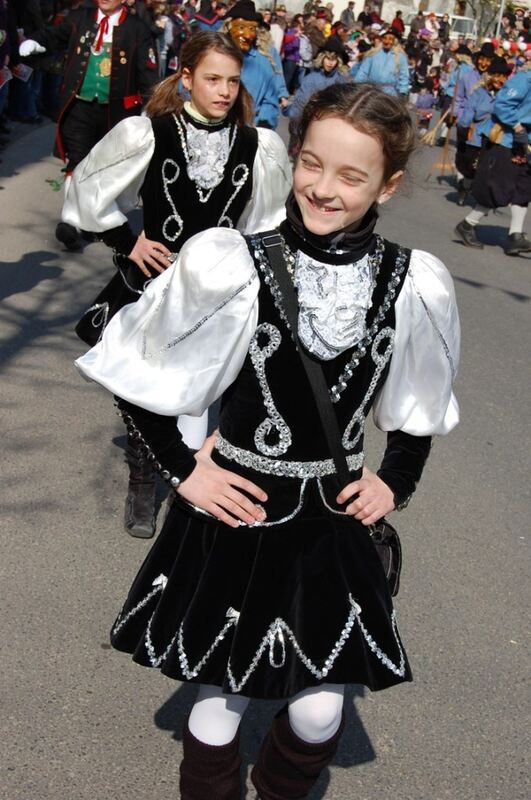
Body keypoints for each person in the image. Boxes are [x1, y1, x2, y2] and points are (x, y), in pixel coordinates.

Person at [75, 82, 460, 800]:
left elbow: (417, 408)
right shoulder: (231, 263)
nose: (321, 187)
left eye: (350, 175)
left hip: (330, 526)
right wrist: (183, 471)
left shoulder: (414, 284)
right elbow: (142, 376)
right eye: (311, 164)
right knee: (221, 701)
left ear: (388, 184)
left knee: (320, 710)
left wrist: (394, 480)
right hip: (236, 516)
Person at [64, 31, 291, 537]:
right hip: (157, 283)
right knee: (150, 384)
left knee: (209, 387)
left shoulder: (258, 146)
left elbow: (266, 222)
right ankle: (144, 477)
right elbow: (89, 188)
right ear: (186, 78)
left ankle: (201, 477)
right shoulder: (149, 132)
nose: (225, 90)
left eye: (232, 81)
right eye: (212, 78)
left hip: (219, 292)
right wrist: (129, 242)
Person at [19, 0, 159, 251]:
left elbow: (147, 72)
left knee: (103, 169)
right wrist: (37, 40)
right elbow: (55, 35)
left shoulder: (137, 28)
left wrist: (151, 107)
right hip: (79, 106)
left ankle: (89, 220)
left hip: (116, 114)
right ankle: (70, 222)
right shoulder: (80, 18)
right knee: (77, 162)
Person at [455, 65, 531, 255]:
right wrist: (517, 127)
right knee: (499, 187)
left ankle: (515, 235)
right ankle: (467, 224)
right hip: (506, 140)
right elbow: (502, 104)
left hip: (525, 143)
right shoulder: (524, 80)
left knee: (524, 188)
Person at [454, 57, 511, 206]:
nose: (501, 80)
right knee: (470, 169)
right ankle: (465, 187)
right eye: (497, 75)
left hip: (495, 139)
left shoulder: (507, 96)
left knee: (487, 171)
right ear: (490, 76)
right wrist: (463, 130)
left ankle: (482, 201)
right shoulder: (480, 92)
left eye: (504, 76)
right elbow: (468, 113)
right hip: (477, 137)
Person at [220, 0, 280, 128]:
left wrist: (262, 130)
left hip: (246, 134)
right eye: (241, 28)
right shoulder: (214, 56)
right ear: (229, 28)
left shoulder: (262, 64)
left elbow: (270, 102)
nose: (247, 35)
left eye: (252, 29)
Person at [354, 28, 409, 97]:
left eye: (390, 39)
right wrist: (357, 85)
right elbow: (363, 71)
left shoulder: (400, 57)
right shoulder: (373, 54)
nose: (387, 41)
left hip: (390, 94)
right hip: (371, 91)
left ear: (395, 41)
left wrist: (402, 92)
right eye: (385, 38)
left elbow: (404, 76)